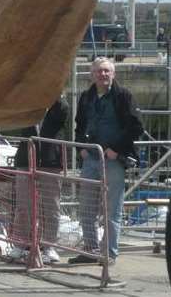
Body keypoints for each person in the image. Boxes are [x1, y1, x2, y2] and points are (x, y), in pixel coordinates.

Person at [68, 57, 143, 265]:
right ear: (92, 75)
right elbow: (79, 126)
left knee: (112, 209)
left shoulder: (123, 96)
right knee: (86, 208)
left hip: (113, 160)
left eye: (106, 71)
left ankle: (109, 253)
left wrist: (115, 150)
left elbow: (136, 127)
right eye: (99, 71)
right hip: (90, 158)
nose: (103, 75)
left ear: (113, 74)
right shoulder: (86, 97)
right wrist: (81, 148)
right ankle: (90, 250)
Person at [7, 98, 68, 265]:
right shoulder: (27, 103)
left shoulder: (60, 105)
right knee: (23, 205)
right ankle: (20, 244)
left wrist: (51, 97)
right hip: (26, 160)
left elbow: (61, 114)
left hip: (50, 161)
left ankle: (49, 246)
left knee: (51, 206)